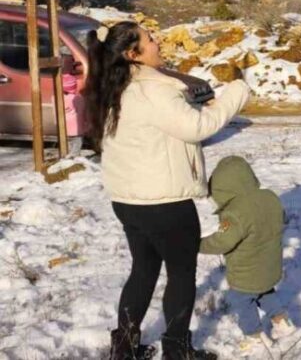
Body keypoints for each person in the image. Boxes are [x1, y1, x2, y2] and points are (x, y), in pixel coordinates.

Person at [87, 22, 250, 360]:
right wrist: (237, 91)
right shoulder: (155, 89)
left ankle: (125, 348)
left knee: (143, 270)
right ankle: (177, 351)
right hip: (165, 204)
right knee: (181, 274)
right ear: (134, 54)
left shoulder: (115, 86)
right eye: (149, 39)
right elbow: (198, 127)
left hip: (128, 200)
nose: (157, 41)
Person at [200, 156, 291, 352]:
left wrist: (196, 245)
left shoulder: (235, 213)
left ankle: (255, 336)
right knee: (265, 292)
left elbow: (222, 241)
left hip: (246, 272)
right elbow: (281, 218)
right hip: (270, 265)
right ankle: (282, 322)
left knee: (243, 301)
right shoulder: (270, 197)